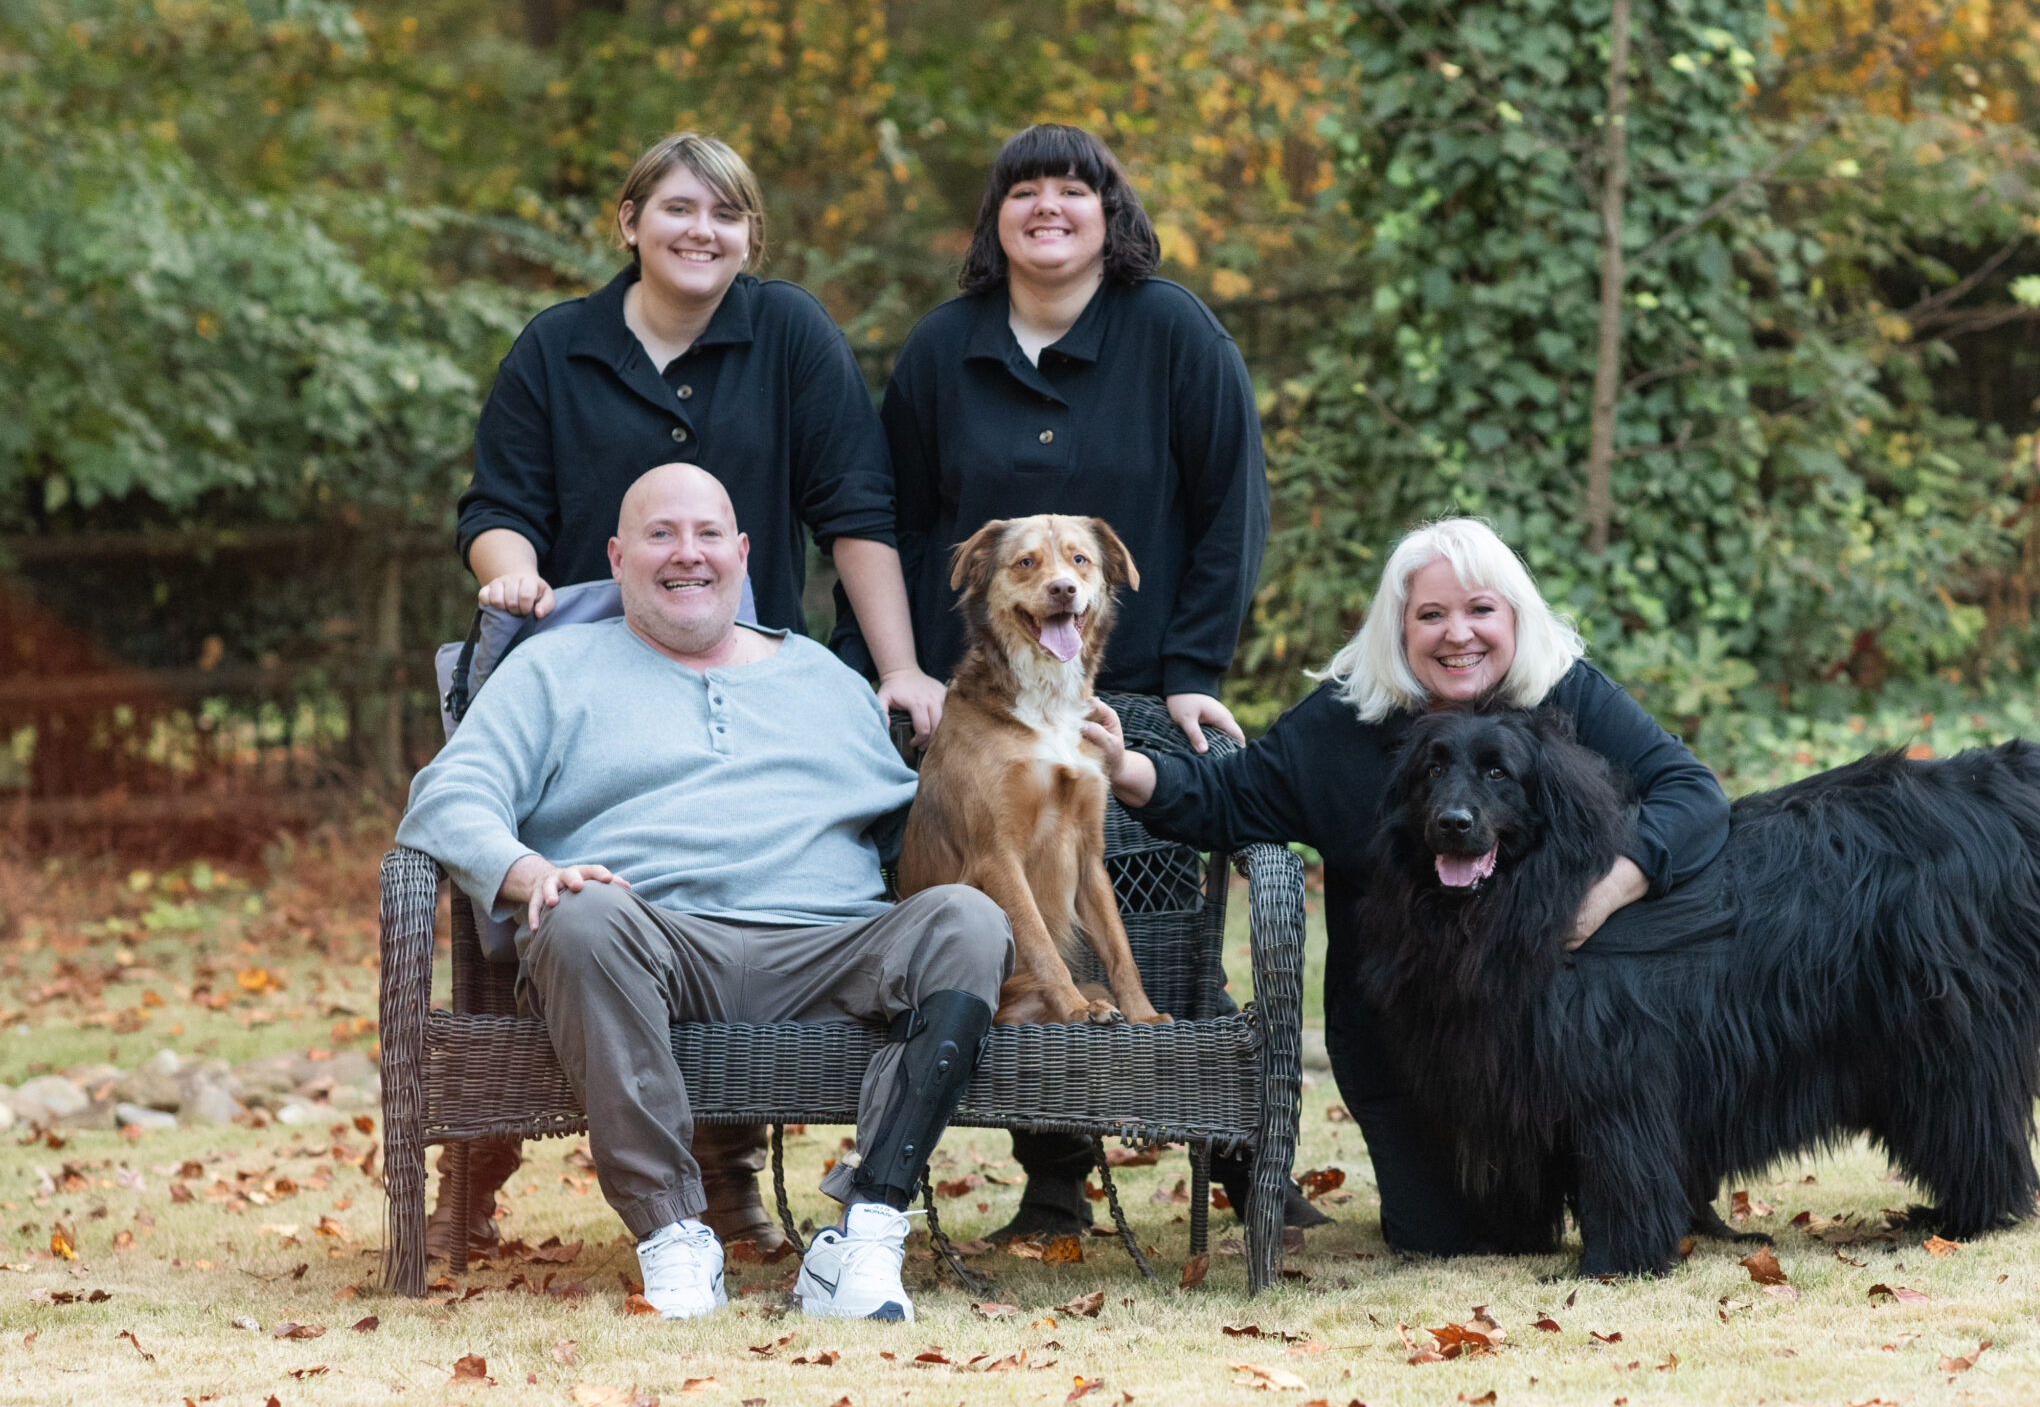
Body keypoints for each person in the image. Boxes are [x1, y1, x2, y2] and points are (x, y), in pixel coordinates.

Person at [441, 131, 945, 1257]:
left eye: (723, 215)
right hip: (596, 681)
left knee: (749, 868)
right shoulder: (558, 348)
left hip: (746, 671)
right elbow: (496, 505)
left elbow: (855, 506)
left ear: (749, 236)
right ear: (629, 222)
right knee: (585, 898)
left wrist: (898, 664)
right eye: (676, 208)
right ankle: (474, 1164)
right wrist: (506, 575)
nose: (698, 231)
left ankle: (727, 1179)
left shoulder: (791, 336)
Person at [397, 465, 1010, 1321]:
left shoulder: (824, 680)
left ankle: (866, 1236)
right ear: (616, 558)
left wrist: (1044, 755)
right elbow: (446, 797)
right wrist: (532, 873)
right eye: (660, 535)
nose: (688, 554)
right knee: (581, 919)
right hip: (652, 942)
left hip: (829, 946)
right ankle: (674, 1236)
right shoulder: (552, 669)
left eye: (709, 534)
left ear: (743, 552)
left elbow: (930, 816)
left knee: (970, 922)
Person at [1080, 517, 1734, 1256]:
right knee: (1459, 1240)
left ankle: (1651, 1174)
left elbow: (1692, 793)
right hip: (1411, 1046)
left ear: (1514, 616)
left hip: (1563, 1038)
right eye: (1432, 614)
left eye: (1480, 609)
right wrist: (1124, 765)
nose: (1459, 633)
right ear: (1400, 627)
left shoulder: (1566, 693)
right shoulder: (1343, 721)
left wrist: (1609, 890)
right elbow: (1230, 797)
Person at [865, 123, 1273, 1241]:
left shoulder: (1173, 330)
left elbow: (1230, 502)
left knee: (1165, 920)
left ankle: (1241, 1163)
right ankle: (1054, 1184)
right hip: (983, 697)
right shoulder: (944, 350)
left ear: (1111, 213)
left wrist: (1190, 673)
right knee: (1014, 907)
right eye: (1023, 192)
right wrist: (900, 670)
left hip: (1130, 689)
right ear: (994, 221)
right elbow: (892, 521)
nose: (1048, 207)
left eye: (1073, 191)